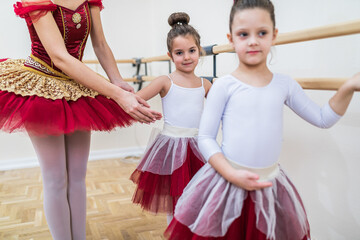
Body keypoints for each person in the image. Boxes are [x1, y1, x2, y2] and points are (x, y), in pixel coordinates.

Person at [164, 0, 360, 239]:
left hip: (269, 186)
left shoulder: (284, 84)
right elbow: (205, 137)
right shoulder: (224, 86)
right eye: (244, 34)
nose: (253, 40)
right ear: (231, 38)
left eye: (262, 33)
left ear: (274, 35)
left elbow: (323, 118)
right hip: (227, 183)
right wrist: (230, 173)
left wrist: (348, 86)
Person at [0, 0, 161, 239]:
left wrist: (116, 80)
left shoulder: (89, 2)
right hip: (41, 85)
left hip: (76, 86)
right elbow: (59, 57)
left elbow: (101, 44)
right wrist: (115, 94)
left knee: (77, 176)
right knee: (55, 178)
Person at [130, 12, 212, 225]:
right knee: (174, 199)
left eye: (192, 51)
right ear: (170, 55)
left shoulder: (205, 85)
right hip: (171, 147)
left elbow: (225, 108)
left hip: (197, 147)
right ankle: (174, 232)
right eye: (179, 52)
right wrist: (142, 111)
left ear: (199, 51)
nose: (186, 57)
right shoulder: (165, 81)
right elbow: (134, 100)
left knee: (197, 197)